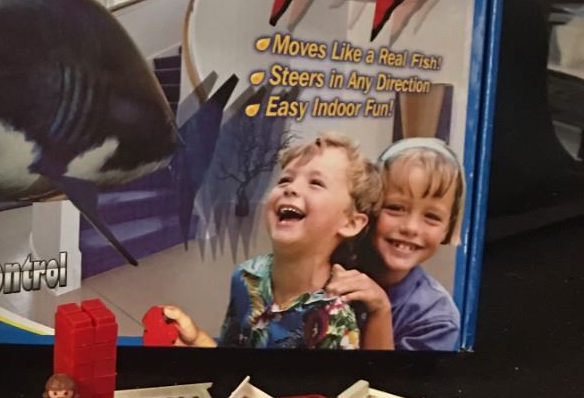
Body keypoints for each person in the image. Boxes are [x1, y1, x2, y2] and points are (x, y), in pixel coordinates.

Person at [165, 132, 381, 349]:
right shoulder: (247, 276)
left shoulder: (335, 317)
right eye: (285, 179)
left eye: (316, 183)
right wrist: (197, 340)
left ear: (350, 223)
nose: (291, 188)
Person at [322, 138, 465, 350]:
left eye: (432, 217)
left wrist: (380, 311)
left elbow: (390, 373)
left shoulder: (437, 318)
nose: (411, 228)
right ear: (370, 207)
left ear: (448, 227)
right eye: (396, 208)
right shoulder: (330, 259)